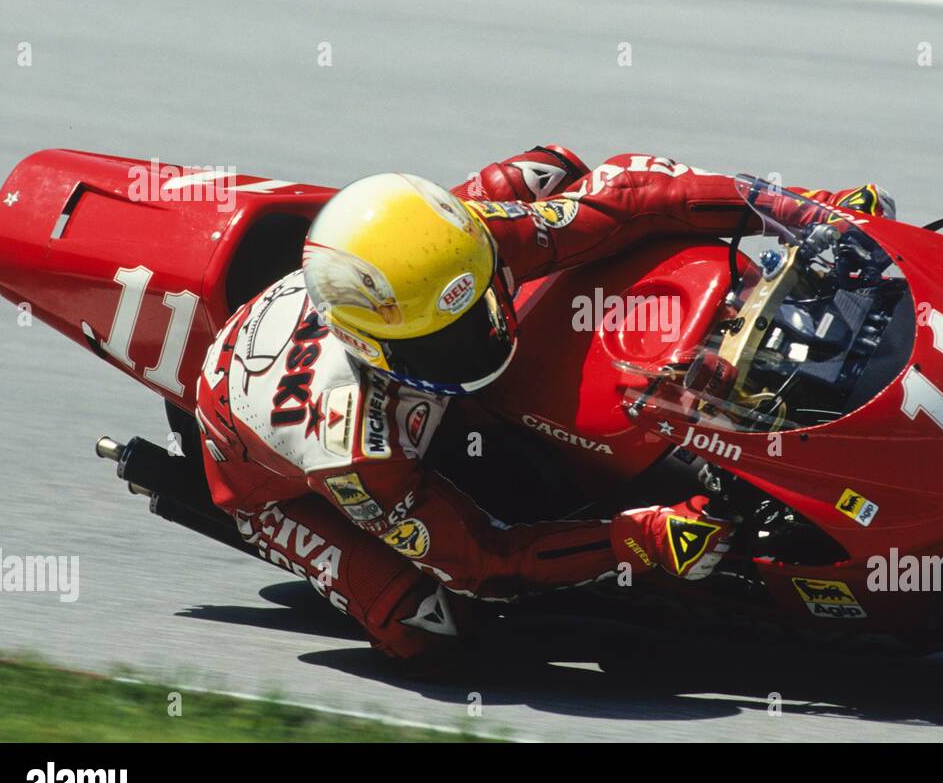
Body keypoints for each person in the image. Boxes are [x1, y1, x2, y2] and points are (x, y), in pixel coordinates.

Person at [194, 146, 894, 663]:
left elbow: (634, 194)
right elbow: (480, 560)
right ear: (373, 346)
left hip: (370, 313)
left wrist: (803, 210)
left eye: (478, 305)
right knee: (428, 625)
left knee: (549, 171)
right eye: (448, 339)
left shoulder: (467, 245)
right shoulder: (356, 446)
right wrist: (636, 538)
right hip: (252, 465)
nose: (482, 335)